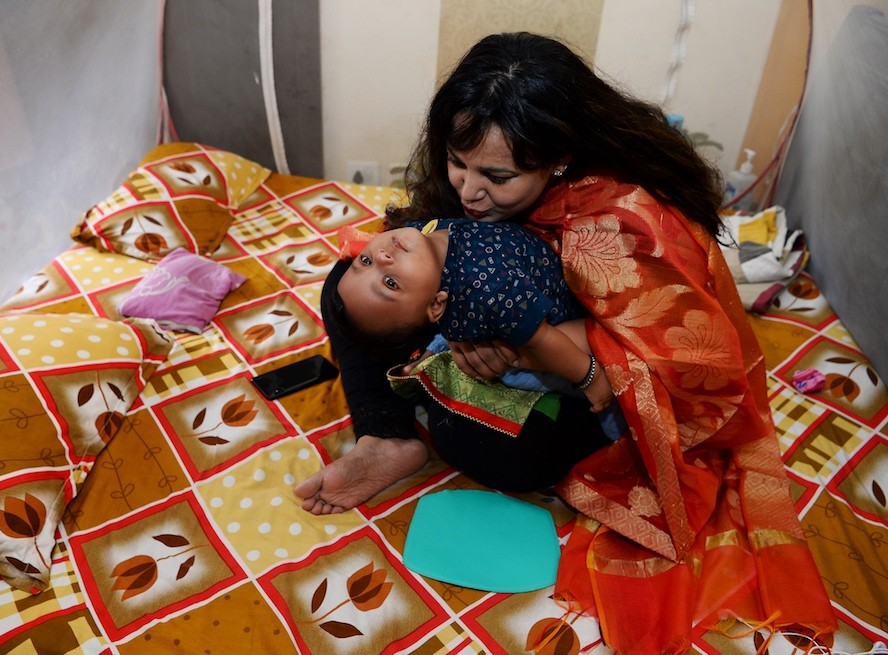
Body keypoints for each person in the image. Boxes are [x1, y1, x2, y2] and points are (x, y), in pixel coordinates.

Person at [295, 31, 836, 654]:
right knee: (345, 289)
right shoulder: (472, 195)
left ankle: (430, 426)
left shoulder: (624, 215)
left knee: (506, 453)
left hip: (587, 373)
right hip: (499, 337)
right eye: (456, 161)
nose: (468, 191)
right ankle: (385, 433)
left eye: (496, 176)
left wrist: (517, 344)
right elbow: (429, 255)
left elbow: (676, 345)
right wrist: (457, 328)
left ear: (559, 159)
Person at [333, 217, 623, 430]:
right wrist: (589, 376)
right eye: (390, 283)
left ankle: (435, 350)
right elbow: (542, 339)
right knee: (558, 349)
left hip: (526, 286)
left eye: (366, 261)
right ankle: (614, 427)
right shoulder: (488, 292)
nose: (382, 257)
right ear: (437, 305)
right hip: (547, 328)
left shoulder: (420, 233)